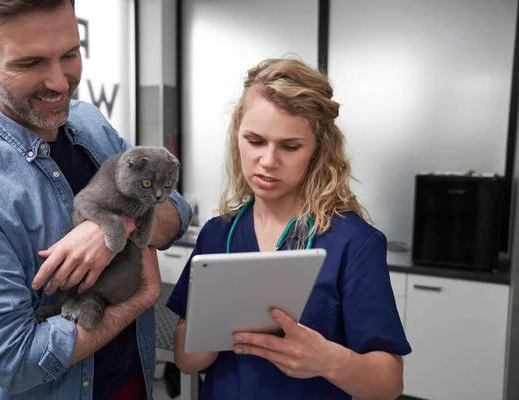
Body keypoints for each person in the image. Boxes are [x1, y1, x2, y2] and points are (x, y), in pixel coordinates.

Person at [0, 1, 192, 399]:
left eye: (70, 54)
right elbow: (12, 361)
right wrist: (140, 300)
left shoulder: (89, 122)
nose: (60, 83)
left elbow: (178, 212)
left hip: (135, 380)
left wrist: (113, 228)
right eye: (30, 63)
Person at [166, 58, 411, 400]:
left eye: (290, 146)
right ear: (237, 135)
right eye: (255, 141)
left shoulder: (352, 243)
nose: (268, 161)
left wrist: (329, 361)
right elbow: (187, 361)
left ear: (318, 151)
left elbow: (388, 384)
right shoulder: (218, 234)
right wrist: (213, 326)